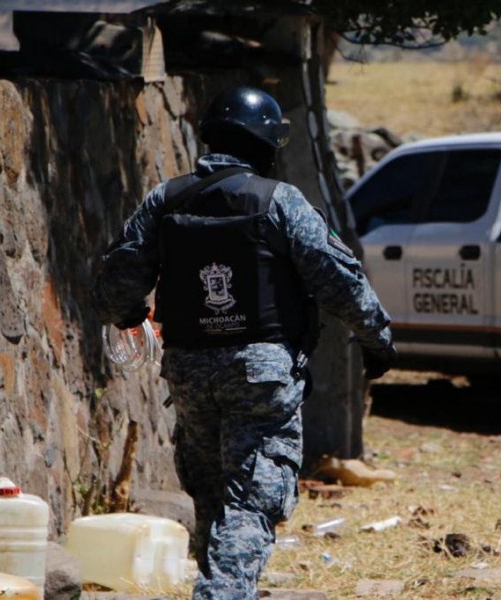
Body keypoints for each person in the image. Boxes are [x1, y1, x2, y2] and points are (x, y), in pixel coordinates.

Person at [92, 86, 396, 599]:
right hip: (262, 374)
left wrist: (127, 314)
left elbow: (115, 282)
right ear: (266, 145)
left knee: (214, 496)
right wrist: (378, 340)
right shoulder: (280, 202)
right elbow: (341, 282)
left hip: (189, 372)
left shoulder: (165, 200)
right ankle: (223, 592)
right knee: (251, 501)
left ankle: (224, 585)